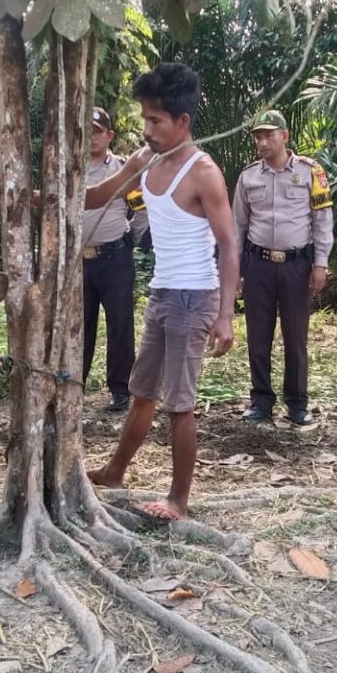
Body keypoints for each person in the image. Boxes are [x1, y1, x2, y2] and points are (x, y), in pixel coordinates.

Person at [86, 62, 239, 522]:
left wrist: (226, 314)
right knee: (142, 393)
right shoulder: (143, 159)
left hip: (195, 299)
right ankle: (114, 472)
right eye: (144, 119)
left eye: (156, 121)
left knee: (179, 404)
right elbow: (97, 197)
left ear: (183, 122)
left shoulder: (204, 172)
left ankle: (178, 500)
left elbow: (230, 244)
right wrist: (36, 196)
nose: (146, 128)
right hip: (161, 294)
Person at [233, 109, 334, 427]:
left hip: (296, 265)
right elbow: (237, 225)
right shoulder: (248, 176)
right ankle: (261, 401)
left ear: (285, 136)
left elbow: (322, 220)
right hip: (258, 265)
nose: (262, 142)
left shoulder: (310, 171)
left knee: (295, 335)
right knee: (257, 336)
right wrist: (235, 269)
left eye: (269, 135)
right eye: (258, 137)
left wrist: (320, 263)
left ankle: (297, 404)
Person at [81, 106, 145, 413]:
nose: (91, 137)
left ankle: (120, 390)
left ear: (109, 136)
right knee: (80, 326)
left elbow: (142, 211)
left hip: (114, 257)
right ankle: (73, 385)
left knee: (120, 323)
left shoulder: (121, 169)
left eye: (96, 131)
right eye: (86, 130)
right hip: (79, 262)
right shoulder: (69, 168)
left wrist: (131, 239)